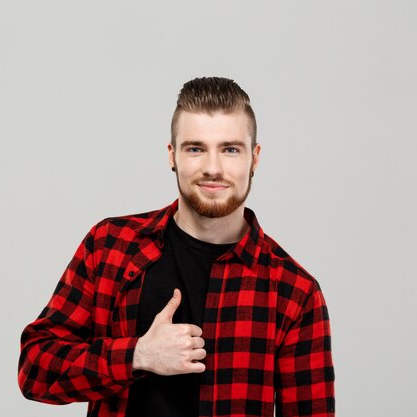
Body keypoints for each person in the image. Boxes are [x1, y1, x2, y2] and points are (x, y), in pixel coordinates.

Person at [18, 77, 335, 417]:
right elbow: (35, 370)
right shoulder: (110, 245)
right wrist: (138, 355)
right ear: (172, 155)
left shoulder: (294, 292)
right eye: (195, 148)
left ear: (254, 158)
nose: (213, 168)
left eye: (230, 149)